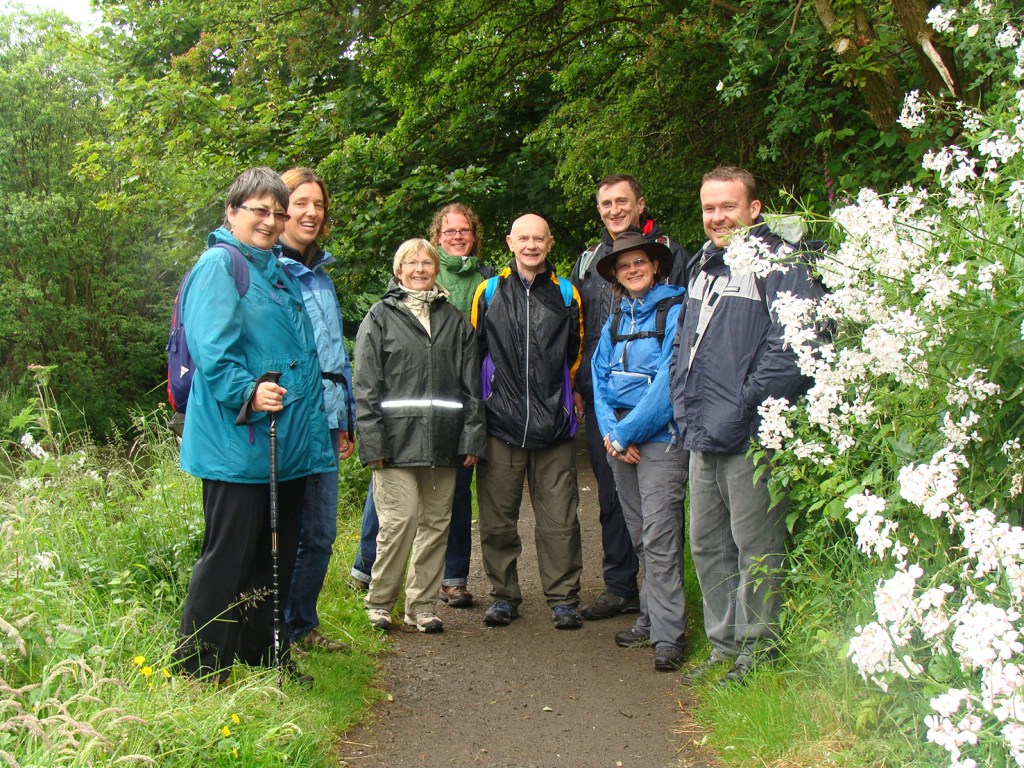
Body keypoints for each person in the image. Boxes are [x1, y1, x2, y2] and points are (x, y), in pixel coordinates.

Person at [173, 167, 334, 685]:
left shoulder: (277, 271)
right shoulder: (221, 266)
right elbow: (213, 353)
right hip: (237, 442)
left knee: (275, 557)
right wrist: (248, 391)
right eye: (259, 210)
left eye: (277, 213)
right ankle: (199, 669)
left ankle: (262, 653)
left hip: (281, 443)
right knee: (229, 557)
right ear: (232, 212)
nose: (270, 221)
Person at [670, 166, 814, 686]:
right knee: (708, 544)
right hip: (702, 432)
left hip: (753, 433)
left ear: (754, 208)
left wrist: (744, 402)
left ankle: (758, 652)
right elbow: (685, 345)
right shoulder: (704, 264)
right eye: (709, 208)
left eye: (728, 206)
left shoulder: (781, 262)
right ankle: (723, 646)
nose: (717, 217)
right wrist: (683, 409)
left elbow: (796, 346)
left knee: (757, 546)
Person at [349, 205, 494, 608]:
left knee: (437, 524)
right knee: (397, 522)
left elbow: (472, 385)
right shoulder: (379, 316)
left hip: (445, 440)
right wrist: (372, 442)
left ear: (435, 269)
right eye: (410, 262)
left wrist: (472, 436)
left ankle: (423, 606)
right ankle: (379, 602)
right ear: (399, 271)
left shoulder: (456, 317)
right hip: (396, 441)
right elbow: (365, 384)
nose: (418, 268)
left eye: (424, 262)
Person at [570, 174, 690, 621]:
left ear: (640, 204)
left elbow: (674, 359)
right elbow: (585, 334)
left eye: (623, 201)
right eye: (606, 204)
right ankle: (622, 588)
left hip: (654, 418)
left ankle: (661, 614)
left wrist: (631, 428)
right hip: (608, 410)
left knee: (657, 521)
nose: (614, 209)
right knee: (614, 505)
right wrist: (594, 404)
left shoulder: (670, 256)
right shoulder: (589, 260)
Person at [471, 213, 586, 630]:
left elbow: (576, 352)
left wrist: (566, 397)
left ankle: (563, 599)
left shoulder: (568, 293)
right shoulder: (488, 292)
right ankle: (503, 596)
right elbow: (475, 350)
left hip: (554, 424)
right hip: (500, 422)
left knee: (560, 519)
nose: (532, 245)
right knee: (498, 518)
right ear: (510, 241)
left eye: (539, 239)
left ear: (550, 243)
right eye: (524, 238)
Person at [591, 231, 688, 672]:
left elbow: (671, 381)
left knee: (662, 535)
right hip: (621, 442)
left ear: (655, 265)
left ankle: (669, 635)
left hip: (660, 438)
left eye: (640, 262)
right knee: (640, 535)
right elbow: (598, 379)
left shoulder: (676, 308)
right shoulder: (614, 319)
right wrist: (613, 435)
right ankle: (649, 619)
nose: (632, 269)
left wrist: (626, 432)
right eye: (623, 265)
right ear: (614, 274)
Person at [278, 167, 355, 654]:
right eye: (300, 202)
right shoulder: (269, 268)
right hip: (287, 418)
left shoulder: (321, 275)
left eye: (318, 205)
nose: (310, 212)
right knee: (287, 527)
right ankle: (276, 627)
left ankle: (302, 624)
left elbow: (335, 354)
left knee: (322, 531)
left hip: (327, 420)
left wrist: (346, 417)